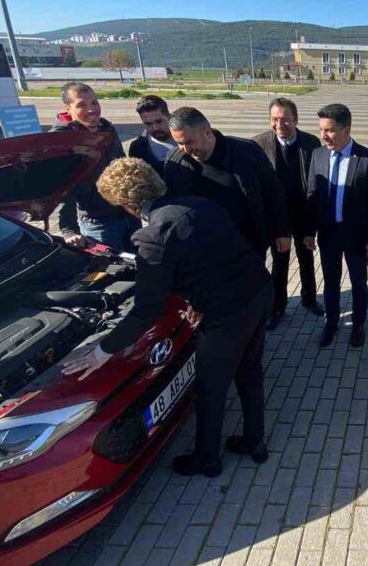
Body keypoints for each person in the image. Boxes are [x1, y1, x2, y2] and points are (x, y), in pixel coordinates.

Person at [63, 158, 272, 476]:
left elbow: (147, 308)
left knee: (211, 387)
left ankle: (207, 460)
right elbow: (209, 259)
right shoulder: (201, 204)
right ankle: (255, 443)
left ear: (126, 204)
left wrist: (102, 349)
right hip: (258, 292)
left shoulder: (152, 236)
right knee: (250, 371)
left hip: (226, 315)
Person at [303, 104, 368, 349]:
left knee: (359, 283)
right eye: (321, 130)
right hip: (328, 234)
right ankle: (331, 323)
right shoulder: (317, 155)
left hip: (357, 236)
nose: (324, 136)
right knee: (330, 281)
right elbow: (311, 194)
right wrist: (309, 232)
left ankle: (359, 325)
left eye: (329, 130)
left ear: (346, 130)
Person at [164, 107, 290, 259]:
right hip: (200, 251)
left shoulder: (247, 152)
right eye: (178, 143)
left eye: (189, 142)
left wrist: (281, 231)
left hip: (247, 247)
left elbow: (272, 191)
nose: (185, 149)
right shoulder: (174, 161)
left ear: (207, 132)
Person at [252, 98, 325, 329]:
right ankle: (278, 307)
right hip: (277, 216)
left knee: (306, 258)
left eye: (285, 119)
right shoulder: (259, 144)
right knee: (280, 262)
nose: (280, 124)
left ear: (296, 119)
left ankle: (310, 299)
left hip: (303, 212)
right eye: (275, 119)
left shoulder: (311, 143)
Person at [50, 81, 135, 252]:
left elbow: (122, 168)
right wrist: (68, 230)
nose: (91, 109)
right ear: (68, 109)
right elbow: (62, 189)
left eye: (94, 102)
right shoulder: (61, 141)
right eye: (81, 105)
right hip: (99, 225)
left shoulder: (108, 130)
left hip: (129, 216)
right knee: (117, 272)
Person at [129, 95, 177, 175]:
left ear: (169, 116)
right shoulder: (137, 148)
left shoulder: (188, 140)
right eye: (148, 124)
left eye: (159, 121)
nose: (155, 128)